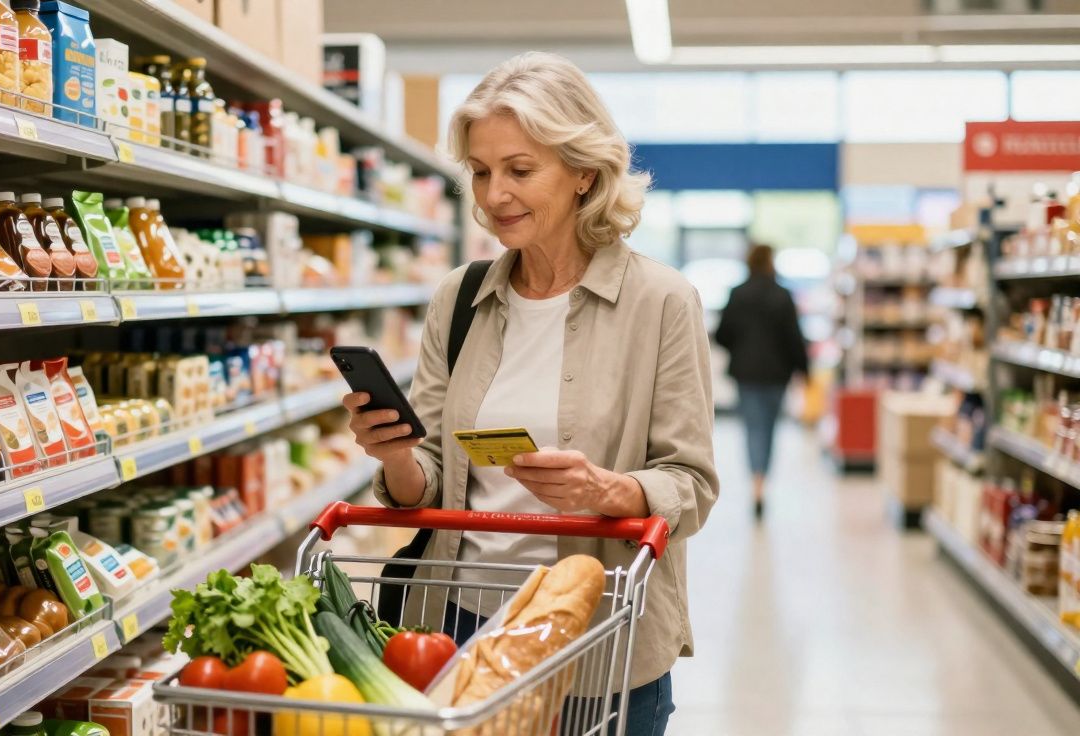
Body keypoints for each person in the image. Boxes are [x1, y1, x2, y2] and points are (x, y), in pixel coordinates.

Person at [342, 52, 718, 735]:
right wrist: (395, 456)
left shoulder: (661, 302)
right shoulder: (460, 298)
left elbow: (690, 483)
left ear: (583, 172)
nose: (493, 195)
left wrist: (610, 492)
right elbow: (424, 480)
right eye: (481, 172)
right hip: (459, 632)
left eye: (520, 170)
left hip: (600, 639)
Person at [714, 243, 810, 520]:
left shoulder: (737, 294)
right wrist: (804, 370)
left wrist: (740, 346)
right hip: (777, 374)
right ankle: (763, 479)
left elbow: (722, 334)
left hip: (746, 374)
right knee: (769, 429)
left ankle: (756, 485)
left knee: (753, 428)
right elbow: (794, 337)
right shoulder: (783, 296)